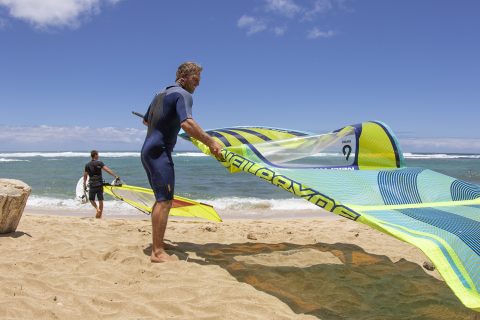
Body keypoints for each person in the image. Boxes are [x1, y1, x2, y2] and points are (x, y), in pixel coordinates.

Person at [141, 61, 223, 263]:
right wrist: (211, 141)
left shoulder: (160, 93)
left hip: (148, 151)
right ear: (184, 78)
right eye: (195, 80)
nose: (198, 85)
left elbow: (146, 120)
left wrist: (165, 124)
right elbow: (187, 123)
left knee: (161, 199)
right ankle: (158, 252)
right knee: (165, 201)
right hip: (159, 152)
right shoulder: (183, 95)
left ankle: (157, 243)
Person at [83, 150, 119, 219]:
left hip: (92, 184)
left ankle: (97, 209)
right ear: (95, 155)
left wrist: (84, 184)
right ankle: (100, 216)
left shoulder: (87, 165)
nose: (98, 156)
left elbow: (85, 176)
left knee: (91, 199)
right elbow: (107, 170)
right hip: (99, 184)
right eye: (97, 154)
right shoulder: (99, 163)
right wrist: (115, 176)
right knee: (100, 200)